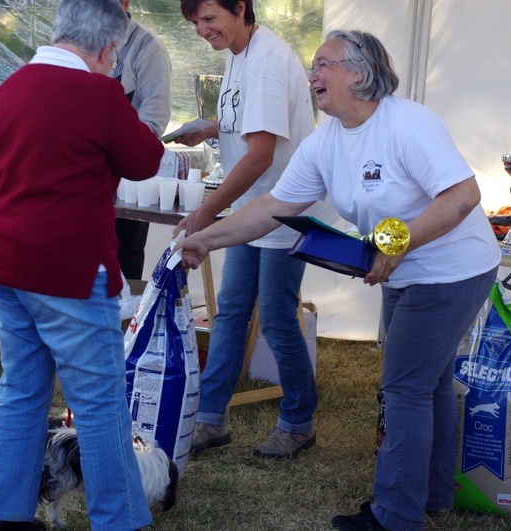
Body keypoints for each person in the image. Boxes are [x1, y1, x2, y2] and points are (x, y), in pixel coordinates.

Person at [174, 29, 500, 531]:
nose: (311, 76)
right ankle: (432, 497)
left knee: (404, 387)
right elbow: (274, 208)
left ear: (359, 71)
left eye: (323, 65)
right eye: (312, 66)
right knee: (427, 384)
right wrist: (207, 239)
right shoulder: (325, 139)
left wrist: (393, 245)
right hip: (404, 269)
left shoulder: (409, 124)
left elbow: (461, 197)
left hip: (452, 271)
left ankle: (395, 516)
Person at [0, 0, 165, 528]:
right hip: (64, 266)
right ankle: (121, 519)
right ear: (108, 48)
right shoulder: (99, 93)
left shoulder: (6, 91)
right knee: (99, 403)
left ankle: (1, 515)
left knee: (22, 387)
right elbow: (145, 160)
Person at [172, 0, 317, 460]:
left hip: (283, 209)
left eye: (209, 19)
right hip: (254, 208)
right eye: (195, 22)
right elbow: (254, 121)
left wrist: (204, 214)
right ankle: (211, 419)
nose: (201, 30)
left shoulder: (268, 61)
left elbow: (261, 154)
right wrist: (213, 128)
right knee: (231, 312)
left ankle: (298, 421)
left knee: (275, 317)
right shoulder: (240, 51)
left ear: (241, 9)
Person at [113, 0, 172, 280]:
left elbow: (154, 120)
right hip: (84, 180)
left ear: (124, 3)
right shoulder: (81, 39)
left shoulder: (148, 48)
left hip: (127, 181)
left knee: (123, 259)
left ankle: (124, 323)